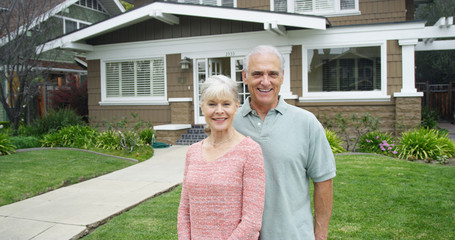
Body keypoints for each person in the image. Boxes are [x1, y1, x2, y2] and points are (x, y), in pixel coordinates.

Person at [233, 45, 336, 240]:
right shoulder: (231, 123)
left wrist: (320, 235)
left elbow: (324, 181)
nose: (265, 81)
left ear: (282, 76)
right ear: (245, 76)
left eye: (272, 74)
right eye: (257, 74)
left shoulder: (306, 123)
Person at [178, 75, 265, 240]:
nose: (219, 111)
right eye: (212, 104)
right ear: (202, 107)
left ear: (236, 107)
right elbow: (184, 210)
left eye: (226, 104)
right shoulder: (192, 152)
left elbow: (252, 221)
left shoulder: (250, 152)